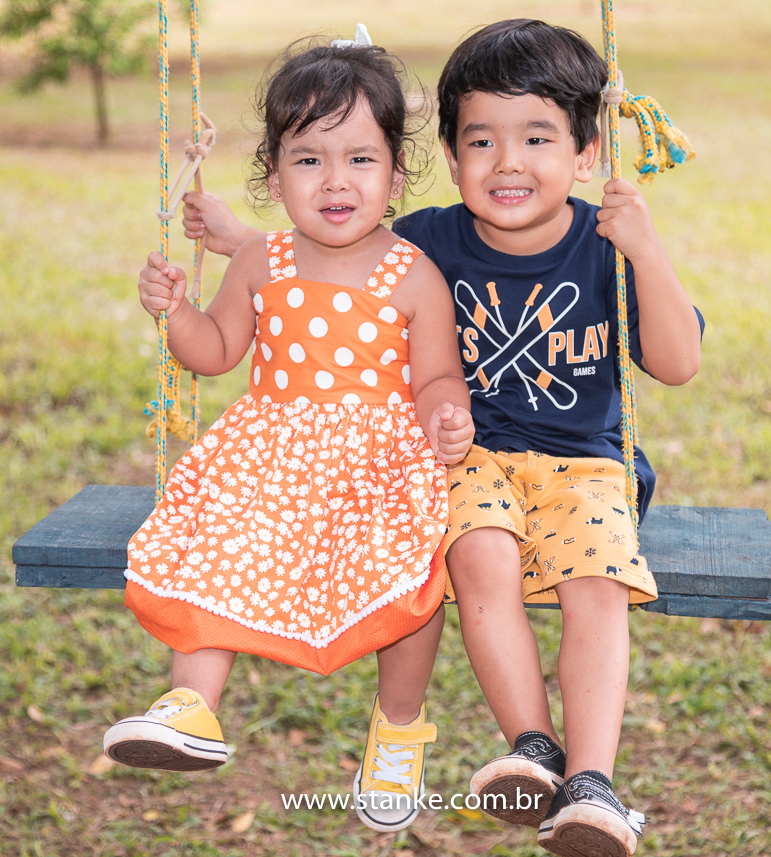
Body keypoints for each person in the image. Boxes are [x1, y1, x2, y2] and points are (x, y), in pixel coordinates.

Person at [181, 19, 703, 856]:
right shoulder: (429, 239)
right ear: (451, 153)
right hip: (471, 458)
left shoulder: (604, 248)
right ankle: (533, 745)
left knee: (596, 581)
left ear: (585, 152)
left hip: (586, 466)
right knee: (478, 554)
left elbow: (677, 363)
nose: (507, 162)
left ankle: (594, 779)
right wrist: (238, 242)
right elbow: (329, 266)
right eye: (481, 139)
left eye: (537, 137)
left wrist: (646, 250)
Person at [102, 36, 475, 835]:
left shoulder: (413, 273)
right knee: (216, 542)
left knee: (411, 577)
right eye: (309, 160)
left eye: (360, 159)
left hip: (378, 461)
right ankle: (191, 706)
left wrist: (448, 413)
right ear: (274, 177)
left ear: (395, 175)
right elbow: (216, 352)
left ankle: (398, 730)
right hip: (267, 458)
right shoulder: (260, 262)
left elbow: (435, 375)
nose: (335, 180)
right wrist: (174, 314)